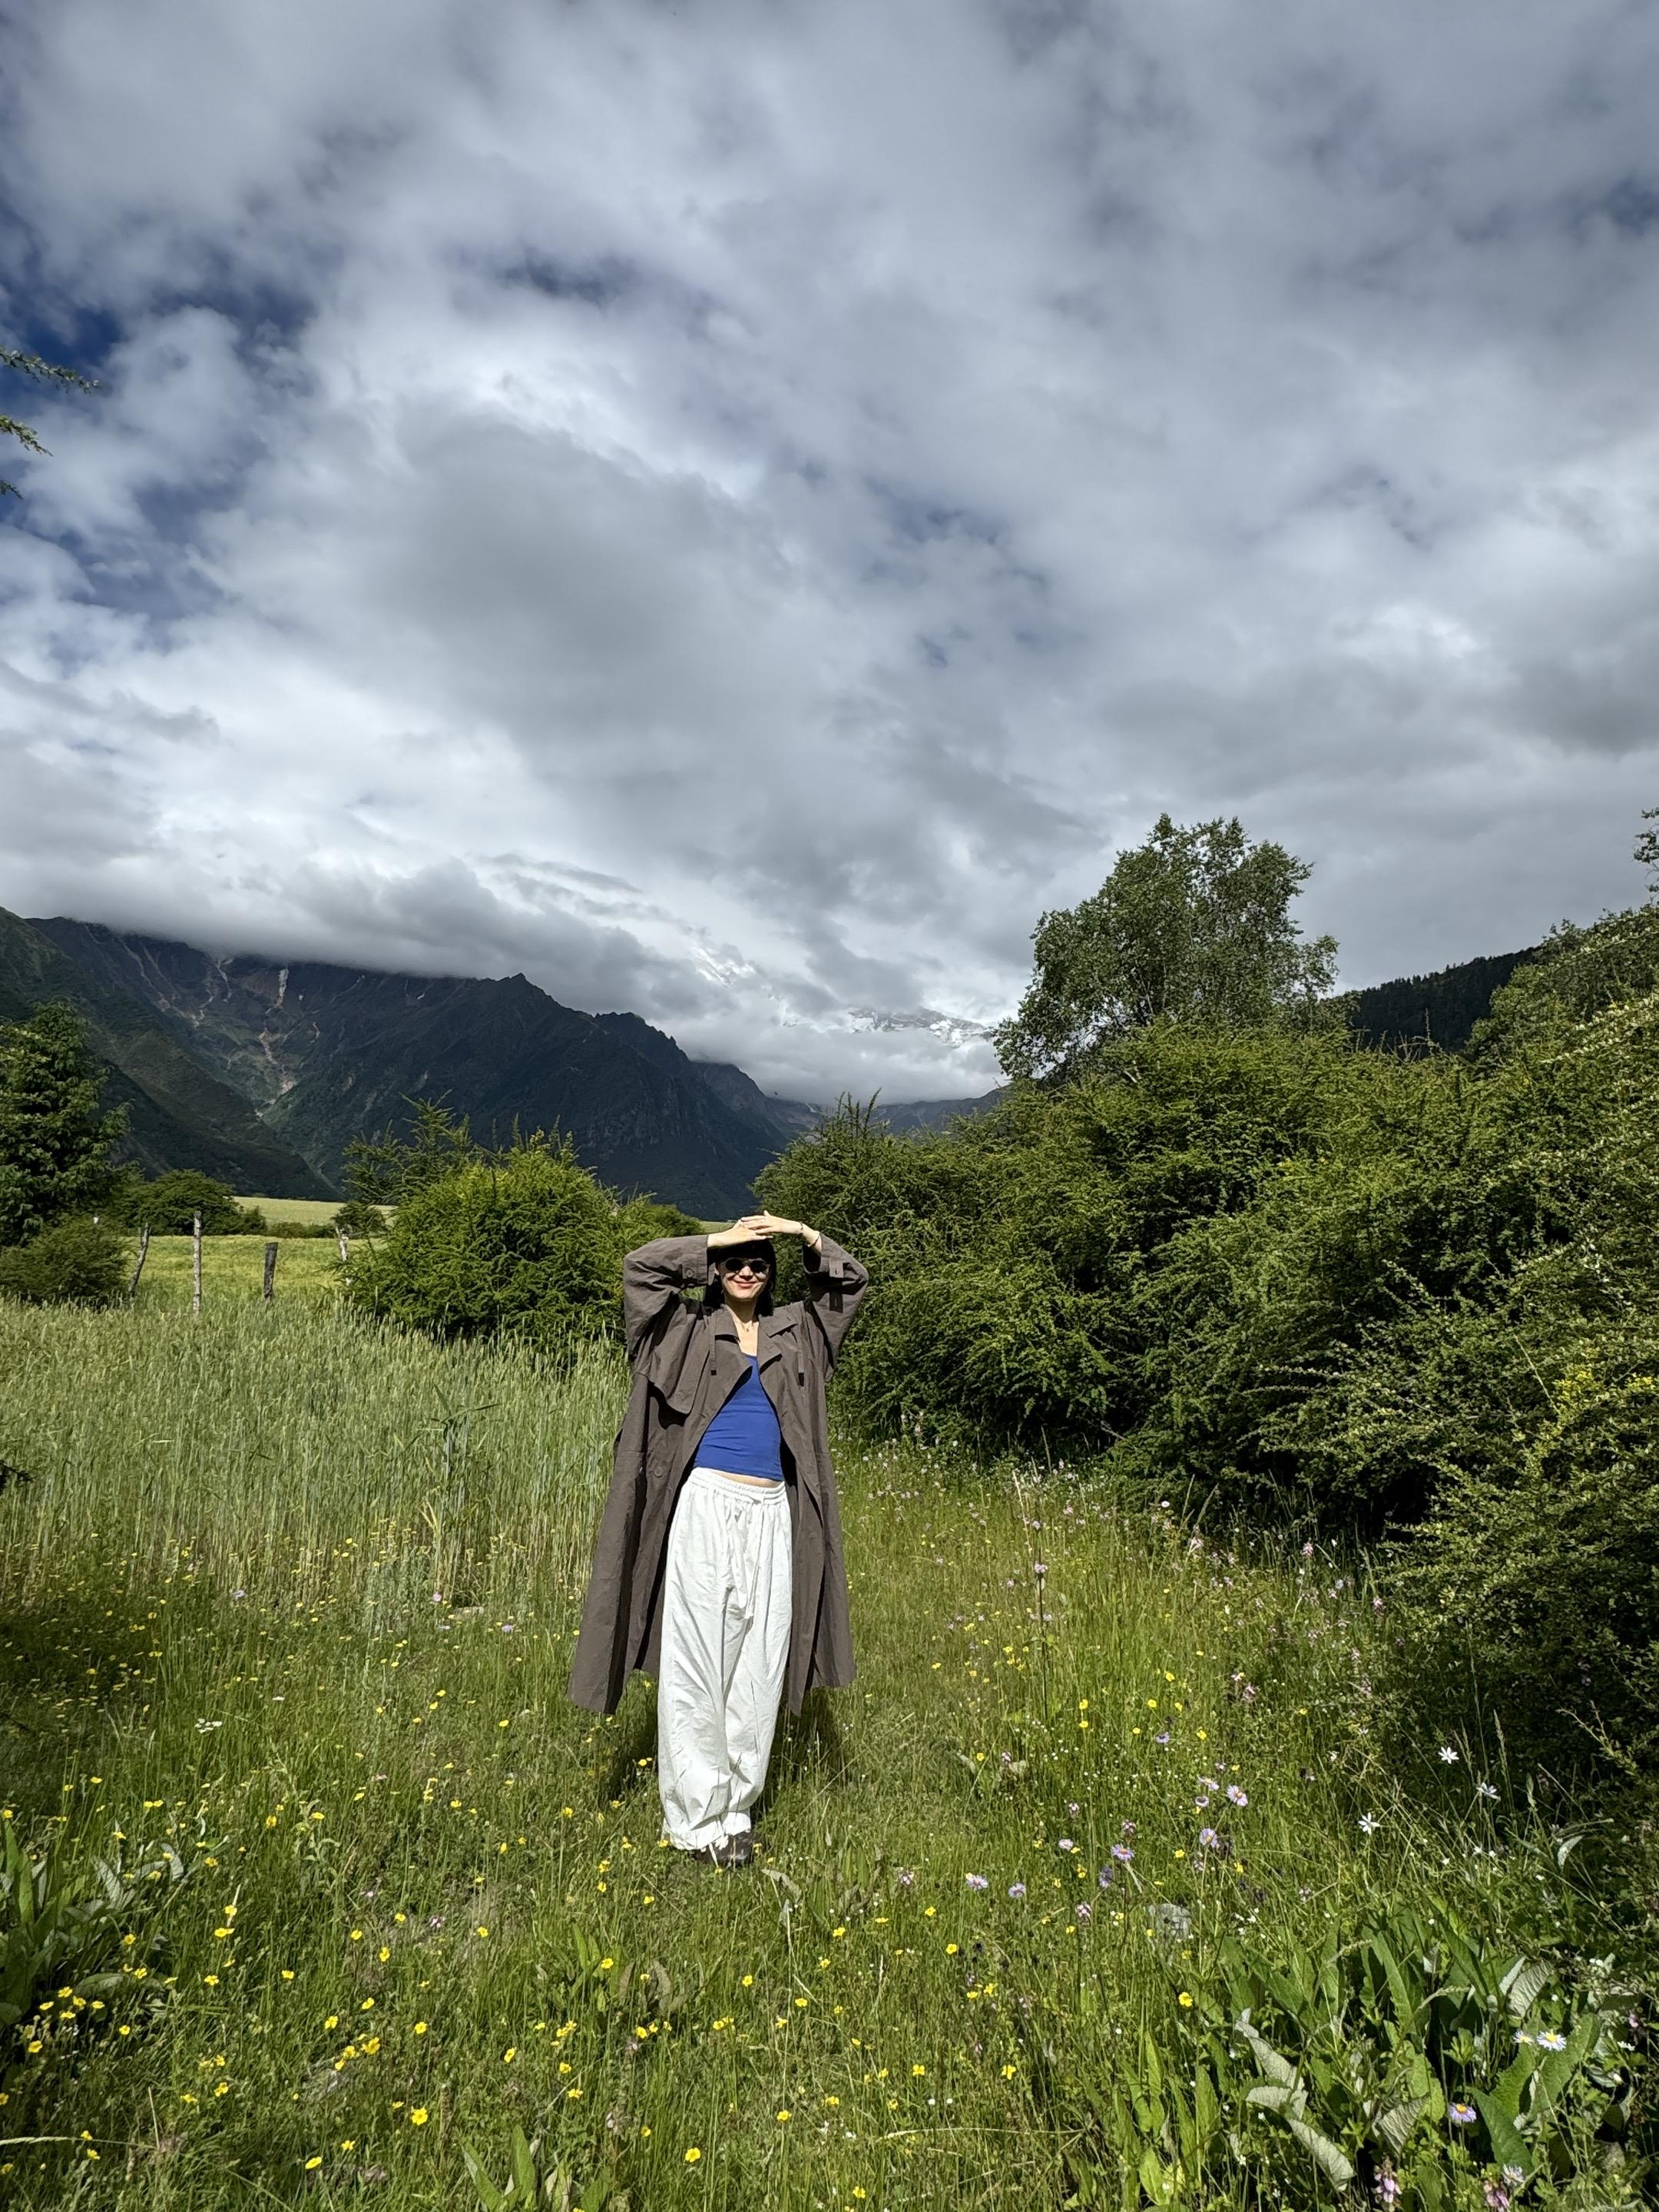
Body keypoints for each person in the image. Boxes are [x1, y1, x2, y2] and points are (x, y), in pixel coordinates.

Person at [568, 1210, 868, 1866]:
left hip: (772, 1515)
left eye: (758, 1263)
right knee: (697, 1665)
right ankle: (694, 1821)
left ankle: (736, 1811)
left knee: (758, 1667)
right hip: (704, 1509)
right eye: (734, 1262)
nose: (745, 1270)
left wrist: (801, 1232)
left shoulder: (801, 1334)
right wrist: (716, 1239)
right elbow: (640, 1268)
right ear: (716, 1269)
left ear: (772, 1274)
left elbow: (847, 1284)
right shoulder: (682, 1331)